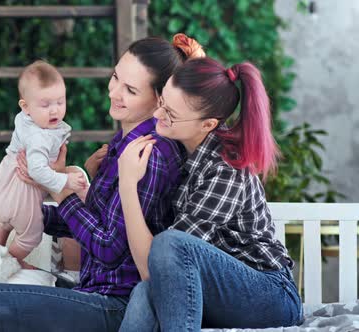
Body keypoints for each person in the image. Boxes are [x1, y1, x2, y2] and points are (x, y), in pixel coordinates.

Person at [0, 34, 201, 332]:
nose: (114, 92)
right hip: (91, 292)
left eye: (129, 90)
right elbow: (92, 222)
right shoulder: (121, 143)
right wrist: (25, 208)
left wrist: (59, 189)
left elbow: (108, 247)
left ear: (159, 99)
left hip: (116, 304)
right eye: (115, 77)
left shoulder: (148, 154)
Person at [117, 57, 303, 331]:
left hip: (270, 295)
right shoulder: (178, 146)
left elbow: (156, 265)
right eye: (162, 103)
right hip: (216, 290)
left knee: (169, 244)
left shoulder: (226, 169)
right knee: (145, 294)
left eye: (170, 114)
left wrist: (127, 185)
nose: (158, 115)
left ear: (208, 125)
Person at [0, 60, 87, 264]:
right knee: (31, 236)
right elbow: (36, 171)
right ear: (26, 106)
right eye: (46, 105)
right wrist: (65, 181)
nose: (55, 111)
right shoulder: (40, 136)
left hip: (3, 187)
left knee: (4, 222)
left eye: (60, 102)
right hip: (22, 194)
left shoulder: (25, 119)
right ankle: (8, 262)